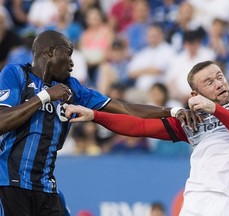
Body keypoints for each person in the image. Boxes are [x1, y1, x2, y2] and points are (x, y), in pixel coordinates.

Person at [0, 30, 173, 216]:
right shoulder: (16, 73)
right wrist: (45, 97)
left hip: (45, 186)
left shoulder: (72, 88)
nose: (72, 63)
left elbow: (124, 108)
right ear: (50, 51)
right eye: (68, 54)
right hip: (10, 183)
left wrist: (171, 112)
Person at [65, 60, 229, 216]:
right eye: (208, 82)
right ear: (195, 95)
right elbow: (140, 126)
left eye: (219, 76)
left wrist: (215, 109)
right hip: (197, 200)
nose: (218, 84)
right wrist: (94, 116)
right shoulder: (192, 121)